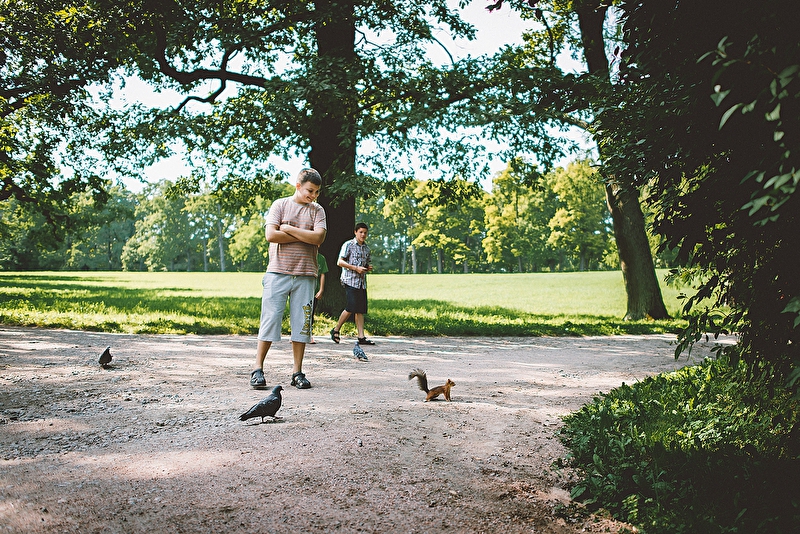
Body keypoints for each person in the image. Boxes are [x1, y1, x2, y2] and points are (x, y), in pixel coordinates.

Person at [250, 168, 327, 390]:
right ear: (298, 186)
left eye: (317, 192)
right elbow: (271, 235)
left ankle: (297, 372)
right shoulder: (280, 205)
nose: (313, 196)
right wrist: (305, 235)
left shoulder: (317, 210)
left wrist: (288, 228)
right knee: (270, 319)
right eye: (310, 191)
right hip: (278, 272)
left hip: (306, 274)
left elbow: (319, 237)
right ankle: (258, 369)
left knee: (302, 325)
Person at [330, 222, 375, 345]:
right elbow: (340, 262)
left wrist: (367, 267)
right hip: (349, 280)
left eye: (365, 233)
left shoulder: (367, 249)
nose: (363, 235)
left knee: (360, 309)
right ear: (355, 232)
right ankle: (336, 330)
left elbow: (366, 263)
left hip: (361, 282)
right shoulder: (348, 245)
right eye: (361, 232)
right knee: (351, 306)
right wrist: (355, 268)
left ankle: (361, 337)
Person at [309, 252, 328, 344]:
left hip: (314, 290)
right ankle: (294, 334)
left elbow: (323, 274)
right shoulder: (306, 254)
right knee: (298, 312)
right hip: (303, 289)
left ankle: (309, 334)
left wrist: (321, 290)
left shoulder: (321, 258)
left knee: (310, 312)